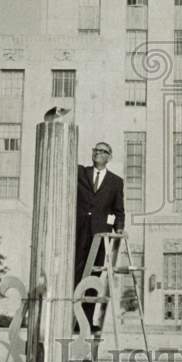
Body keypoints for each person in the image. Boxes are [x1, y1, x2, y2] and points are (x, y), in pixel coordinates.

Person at [75, 141, 125, 331]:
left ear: (109, 157)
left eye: (102, 151)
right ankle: (72, 319)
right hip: (78, 232)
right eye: (95, 150)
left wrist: (119, 228)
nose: (97, 153)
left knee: (93, 276)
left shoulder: (116, 182)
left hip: (100, 235)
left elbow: (119, 209)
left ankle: (85, 323)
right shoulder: (81, 173)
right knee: (76, 273)